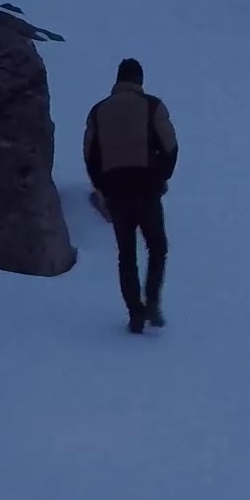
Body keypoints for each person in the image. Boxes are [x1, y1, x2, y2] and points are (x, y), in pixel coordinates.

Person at [83, 58, 179, 333]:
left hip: (116, 191)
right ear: (139, 80)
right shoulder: (153, 106)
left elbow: (90, 154)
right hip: (147, 188)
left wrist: (102, 185)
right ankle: (152, 302)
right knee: (157, 247)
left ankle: (134, 312)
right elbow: (170, 147)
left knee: (126, 254)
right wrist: (160, 178)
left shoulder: (98, 111)